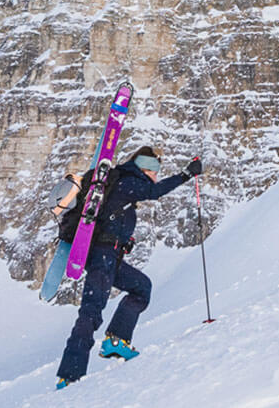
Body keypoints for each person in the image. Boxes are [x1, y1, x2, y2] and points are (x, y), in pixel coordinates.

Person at [56, 144, 202, 388]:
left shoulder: (120, 186)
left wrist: (124, 238)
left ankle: (116, 340)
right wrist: (186, 175)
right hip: (102, 257)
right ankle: (69, 375)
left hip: (110, 256)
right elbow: (155, 191)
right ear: (145, 168)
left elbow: (111, 218)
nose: (155, 175)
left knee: (141, 288)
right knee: (91, 312)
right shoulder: (127, 181)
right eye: (154, 170)